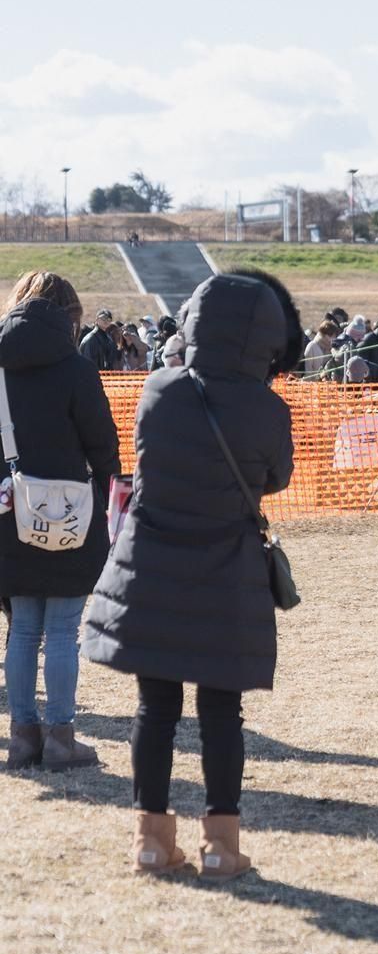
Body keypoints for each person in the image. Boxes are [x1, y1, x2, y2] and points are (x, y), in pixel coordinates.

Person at [82, 269, 300, 879]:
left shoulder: (159, 388)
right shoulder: (268, 408)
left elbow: (147, 459)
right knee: (221, 713)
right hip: (227, 569)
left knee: (155, 709)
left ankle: (150, 841)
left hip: (152, 565)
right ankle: (222, 847)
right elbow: (276, 478)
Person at [0, 271, 121, 771]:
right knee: (63, 630)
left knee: (23, 629)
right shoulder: (76, 369)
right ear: (69, 316)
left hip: (10, 512)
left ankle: (23, 736)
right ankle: (61, 737)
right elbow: (102, 444)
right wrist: (110, 489)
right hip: (71, 510)